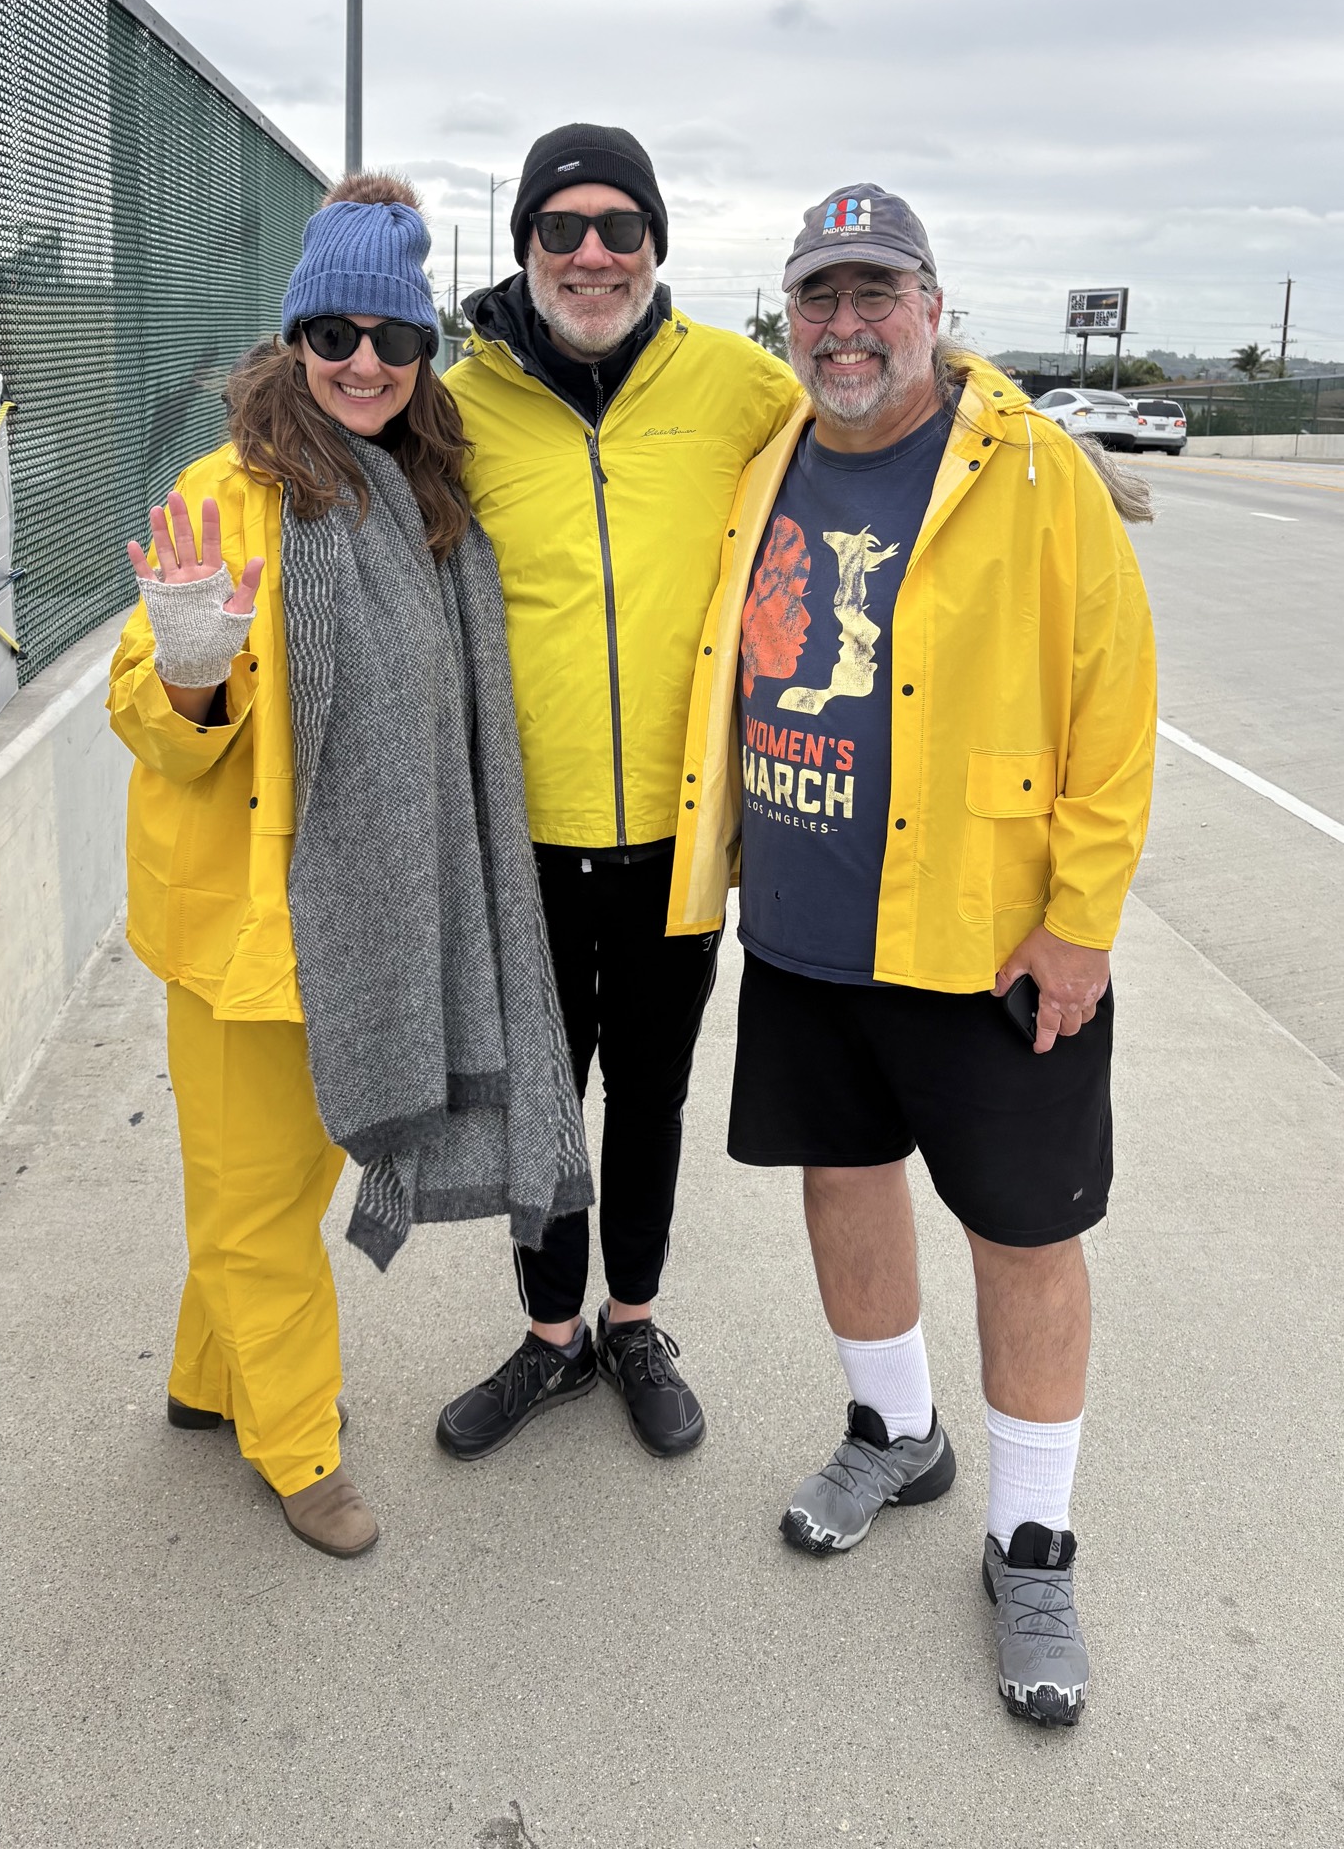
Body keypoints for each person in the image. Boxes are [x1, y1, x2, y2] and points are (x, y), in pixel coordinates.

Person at [666, 184, 1156, 1723]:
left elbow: (1113, 710)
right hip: (806, 923)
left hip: (988, 941)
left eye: (875, 292)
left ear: (931, 307)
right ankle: (894, 1432)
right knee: (842, 1178)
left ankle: (1031, 1541)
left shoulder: (1035, 472)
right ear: (788, 318)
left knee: (1023, 1234)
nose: (845, 324)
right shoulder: (766, 458)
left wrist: (1079, 921)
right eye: (818, 296)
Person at [108, 174, 590, 1558]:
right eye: (335, 336)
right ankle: (298, 1444)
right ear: (294, 343)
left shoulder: (425, 501)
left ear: (424, 352)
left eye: (393, 339)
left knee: (269, 1185)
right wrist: (190, 670)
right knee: (262, 1201)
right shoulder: (230, 495)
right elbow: (155, 719)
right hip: (251, 931)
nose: (363, 364)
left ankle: (209, 1379)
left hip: (369, 923)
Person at [435, 125, 802, 1462]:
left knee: (648, 1099)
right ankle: (552, 1339)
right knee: (539, 1103)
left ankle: (632, 1321)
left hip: (678, 834)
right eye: (561, 228)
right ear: (525, 245)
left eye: (619, 227)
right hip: (522, 836)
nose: (591, 255)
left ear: (654, 242)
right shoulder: (455, 404)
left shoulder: (739, 383)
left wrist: (1019, 425)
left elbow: (882, 411)